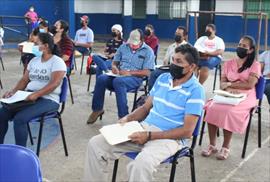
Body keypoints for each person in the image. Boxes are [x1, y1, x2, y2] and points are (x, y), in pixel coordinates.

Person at [83, 44, 205, 182]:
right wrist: (127, 119)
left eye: (179, 62)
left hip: (170, 138)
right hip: (145, 128)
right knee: (96, 144)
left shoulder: (196, 90)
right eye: (173, 60)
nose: (173, 64)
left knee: (141, 164)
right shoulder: (163, 79)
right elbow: (145, 108)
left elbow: (187, 131)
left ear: (192, 67)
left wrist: (149, 136)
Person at [0, 33, 66, 147]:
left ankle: (20, 153)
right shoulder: (34, 61)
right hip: (29, 96)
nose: (33, 46)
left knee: (20, 118)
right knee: (2, 113)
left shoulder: (57, 61)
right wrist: (13, 92)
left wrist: (37, 94)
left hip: (49, 99)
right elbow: (24, 80)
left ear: (45, 46)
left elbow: (55, 83)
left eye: (36, 44)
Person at [201, 35, 261, 160]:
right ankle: (212, 145)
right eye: (239, 45)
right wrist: (228, 89)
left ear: (250, 50)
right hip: (228, 93)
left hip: (247, 95)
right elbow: (222, 83)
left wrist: (230, 84)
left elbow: (250, 84)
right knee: (211, 107)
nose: (240, 47)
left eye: (244, 46)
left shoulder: (255, 65)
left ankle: (225, 147)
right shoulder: (228, 63)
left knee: (229, 111)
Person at [87, 29, 155, 123]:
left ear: (142, 40)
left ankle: (124, 117)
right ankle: (97, 109)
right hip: (119, 76)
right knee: (101, 78)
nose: (132, 46)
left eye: (134, 44)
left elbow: (147, 72)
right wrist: (114, 67)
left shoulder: (148, 51)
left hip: (135, 79)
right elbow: (115, 62)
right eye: (131, 43)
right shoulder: (123, 47)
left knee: (118, 82)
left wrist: (130, 73)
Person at [148, 26, 188, 91]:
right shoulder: (171, 46)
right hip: (169, 68)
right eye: (176, 33)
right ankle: (151, 94)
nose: (176, 35)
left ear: (184, 36)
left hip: (180, 70)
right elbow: (165, 60)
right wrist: (164, 64)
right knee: (153, 73)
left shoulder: (187, 47)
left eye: (179, 34)